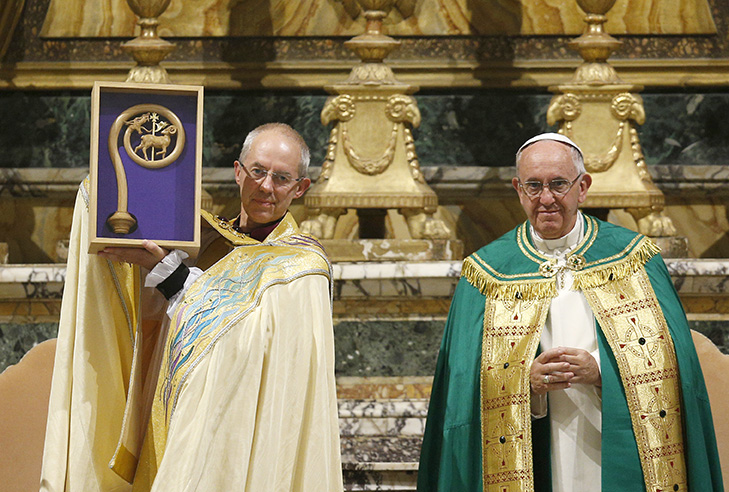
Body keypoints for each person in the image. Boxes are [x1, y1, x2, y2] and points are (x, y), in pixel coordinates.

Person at [40, 123, 343, 491]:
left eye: (282, 178)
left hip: (245, 433)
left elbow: (243, 339)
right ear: (238, 171)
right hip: (177, 413)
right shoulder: (206, 240)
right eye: (258, 171)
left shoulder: (303, 267)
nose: (266, 187)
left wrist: (171, 275)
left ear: (301, 188)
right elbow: (160, 319)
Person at [417, 133, 723, 492]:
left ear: (583, 187)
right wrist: (522, 382)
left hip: (615, 444)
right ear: (518, 189)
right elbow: (459, 393)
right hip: (537, 448)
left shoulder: (633, 258)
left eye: (558, 184)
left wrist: (602, 371)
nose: (546, 199)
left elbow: (674, 366)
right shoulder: (486, 274)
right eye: (534, 186)